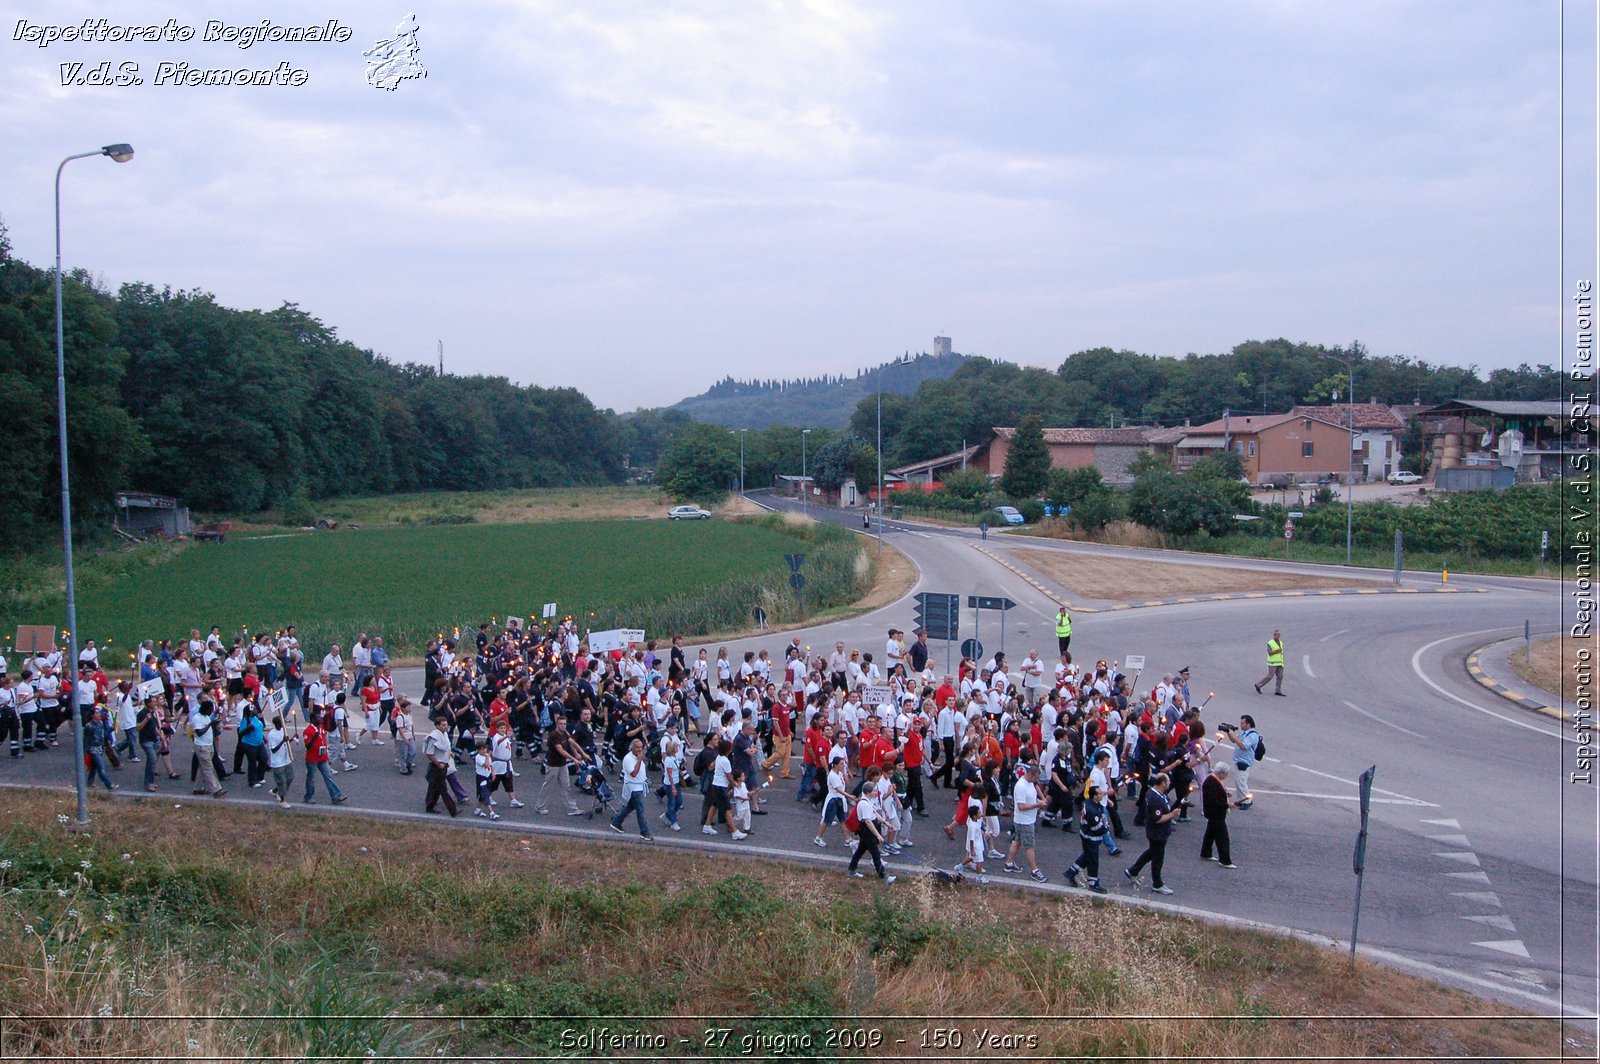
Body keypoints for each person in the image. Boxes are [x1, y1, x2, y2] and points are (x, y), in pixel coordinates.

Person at [1124, 772, 1179, 895]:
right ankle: (1157, 883)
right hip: (1157, 833)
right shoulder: (1155, 799)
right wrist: (1172, 815)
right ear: (1162, 783)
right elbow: (1158, 819)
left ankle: (1133, 871)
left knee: (1151, 852)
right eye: (1168, 781)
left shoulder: (1157, 794)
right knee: (1158, 858)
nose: (1170, 783)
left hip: (1159, 832)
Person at [847, 766, 895, 882]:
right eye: (874, 791)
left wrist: (885, 823)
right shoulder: (864, 804)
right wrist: (878, 835)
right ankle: (883, 876)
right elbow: (868, 821)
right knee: (875, 853)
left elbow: (874, 813)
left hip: (867, 830)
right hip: (866, 830)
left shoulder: (868, 801)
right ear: (868, 792)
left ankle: (852, 870)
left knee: (860, 851)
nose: (876, 792)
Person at [1003, 762, 1048, 881]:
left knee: (1017, 841)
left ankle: (1009, 863)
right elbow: (1021, 806)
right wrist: (1037, 805)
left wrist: (1038, 802)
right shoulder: (1021, 786)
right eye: (1036, 778)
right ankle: (1034, 870)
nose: (1036, 781)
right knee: (1029, 846)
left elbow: (1031, 798)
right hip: (1024, 821)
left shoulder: (1030, 784)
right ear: (1031, 775)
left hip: (1025, 820)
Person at [1063, 784, 1111, 893]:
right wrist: (1106, 827)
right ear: (1094, 796)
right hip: (1091, 838)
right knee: (1093, 861)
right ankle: (1093, 883)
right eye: (1099, 793)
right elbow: (1097, 828)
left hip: (1087, 836)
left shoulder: (1090, 803)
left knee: (1087, 856)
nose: (1102, 794)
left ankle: (1071, 872)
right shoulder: (1092, 810)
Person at [609, 737, 654, 840]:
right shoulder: (628, 759)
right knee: (641, 810)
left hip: (639, 785)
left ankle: (616, 822)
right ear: (632, 748)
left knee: (630, 806)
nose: (639, 749)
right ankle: (644, 832)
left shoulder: (638, 756)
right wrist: (639, 761)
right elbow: (633, 773)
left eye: (641, 747)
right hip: (634, 787)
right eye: (637, 747)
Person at [302, 708, 346, 805]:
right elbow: (307, 746)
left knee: (328, 776)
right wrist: (314, 737)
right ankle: (308, 796)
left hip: (322, 757)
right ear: (313, 720)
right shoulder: (308, 731)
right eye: (318, 718)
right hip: (312, 758)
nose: (320, 719)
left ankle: (336, 796)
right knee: (311, 777)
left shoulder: (321, 727)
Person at [1200, 763, 1238, 868]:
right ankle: (1224, 860)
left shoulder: (1213, 780)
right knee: (1222, 837)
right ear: (1221, 773)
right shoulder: (1212, 783)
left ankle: (1206, 852)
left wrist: (1226, 794)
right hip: (1215, 813)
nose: (1226, 776)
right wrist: (1228, 805)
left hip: (1213, 813)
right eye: (1225, 774)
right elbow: (1214, 801)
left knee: (1210, 833)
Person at [422, 713, 459, 817]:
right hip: (438, 766)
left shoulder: (444, 734)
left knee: (434, 787)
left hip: (444, 764)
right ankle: (453, 811)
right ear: (437, 725)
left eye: (446, 724)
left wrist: (450, 753)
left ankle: (429, 805)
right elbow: (429, 753)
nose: (446, 727)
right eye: (443, 725)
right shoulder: (433, 737)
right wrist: (438, 764)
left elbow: (445, 748)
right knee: (443, 789)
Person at [190, 700, 226, 798]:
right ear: (205, 709)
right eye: (210, 710)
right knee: (208, 769)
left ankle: (196, 788)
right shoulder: (197, 718)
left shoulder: (206, 717)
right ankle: (217, 789)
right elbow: (199, 732)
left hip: (208, 746)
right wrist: (210, 724)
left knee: (202, 769)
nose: (211, 712)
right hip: (202, 746)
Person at [265, 715, 295, 804]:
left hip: (286, 759)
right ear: (277, 724)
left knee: (290, 778)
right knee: (282, 781)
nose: (284, 723)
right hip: (278, 762)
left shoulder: (283, 730)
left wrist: (292, 739)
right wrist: (283, 741)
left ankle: (275, 791)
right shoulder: (271, 735)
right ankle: (282, 799)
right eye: (282, 722)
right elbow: (273, 750)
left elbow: (286, 742)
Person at [1255, 629, 1285, 696]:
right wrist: (1276, 651)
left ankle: (1278, 690)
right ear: (1274, 635)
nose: (1277, 636)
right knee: (1270, 676)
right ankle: (1258, 685)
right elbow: (1269, 653)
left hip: (1280, 663)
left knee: (1280, 676)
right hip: (1272, 663)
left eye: (1278, 635)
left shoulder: (1281, 643)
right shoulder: (1270, 643)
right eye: (1276, 634)